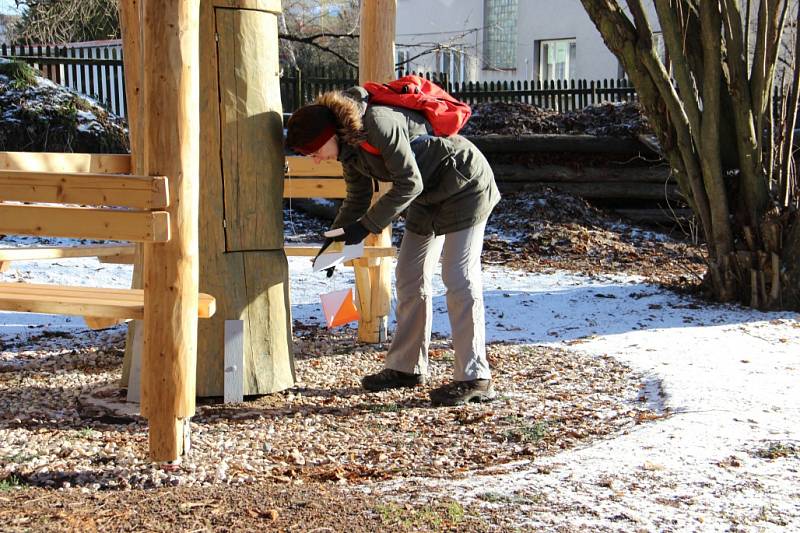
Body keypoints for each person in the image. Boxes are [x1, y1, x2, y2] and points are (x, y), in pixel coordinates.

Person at [285, 86, 500, 407]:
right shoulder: (349, 148)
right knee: (410, 274)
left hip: (465, 184)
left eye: (314, 151)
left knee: (457, 275)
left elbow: (408, 182)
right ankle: (407, 368)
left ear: (329, 134)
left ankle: (475, 377)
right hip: (427, 197)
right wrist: (334, 243)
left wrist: (366, 227)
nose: (315, 161)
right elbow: (357, 198)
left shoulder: (377, 124)